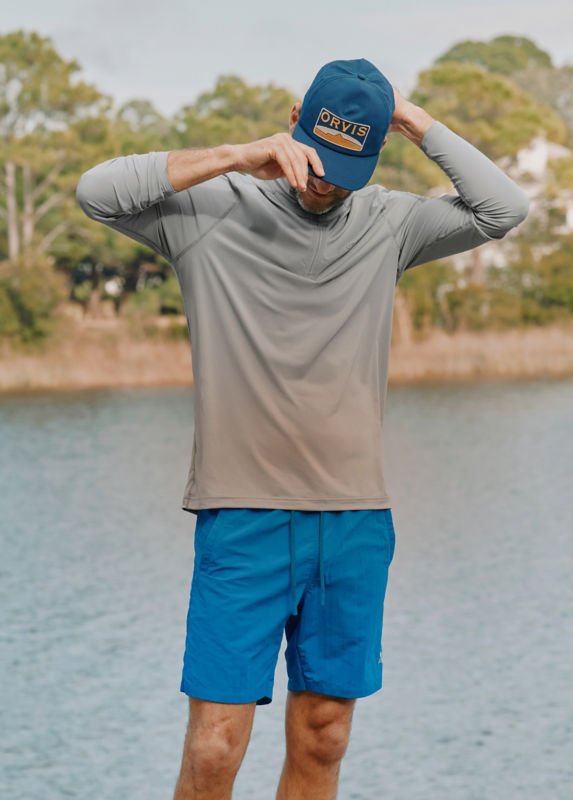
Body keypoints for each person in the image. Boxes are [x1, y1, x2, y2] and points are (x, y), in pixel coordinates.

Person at [76, 58, 529, 800]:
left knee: (325, 735)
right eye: (320, 158)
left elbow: (502, 209)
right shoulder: (208, 211)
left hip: (353, 520)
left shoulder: (391, 222)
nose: (326, 182)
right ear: (294, 122)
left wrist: (407, 117)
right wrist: (235, 155)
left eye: (349, 167)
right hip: (242, 517)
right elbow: (95, 192)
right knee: (216, 746)